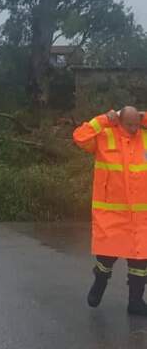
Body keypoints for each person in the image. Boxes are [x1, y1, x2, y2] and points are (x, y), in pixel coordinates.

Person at [73, 106, 147, 316]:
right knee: (106, 258)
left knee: (140, 261)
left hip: (141, 216)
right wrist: (103, 119)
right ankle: (100, 283)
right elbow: (79, 137)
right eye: (129, 124)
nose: (133, 128)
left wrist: (145, 118)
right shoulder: (105, 135)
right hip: (112, 214)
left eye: (136, 123)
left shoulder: (144, 136)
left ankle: (135, 301)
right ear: (120, 121)